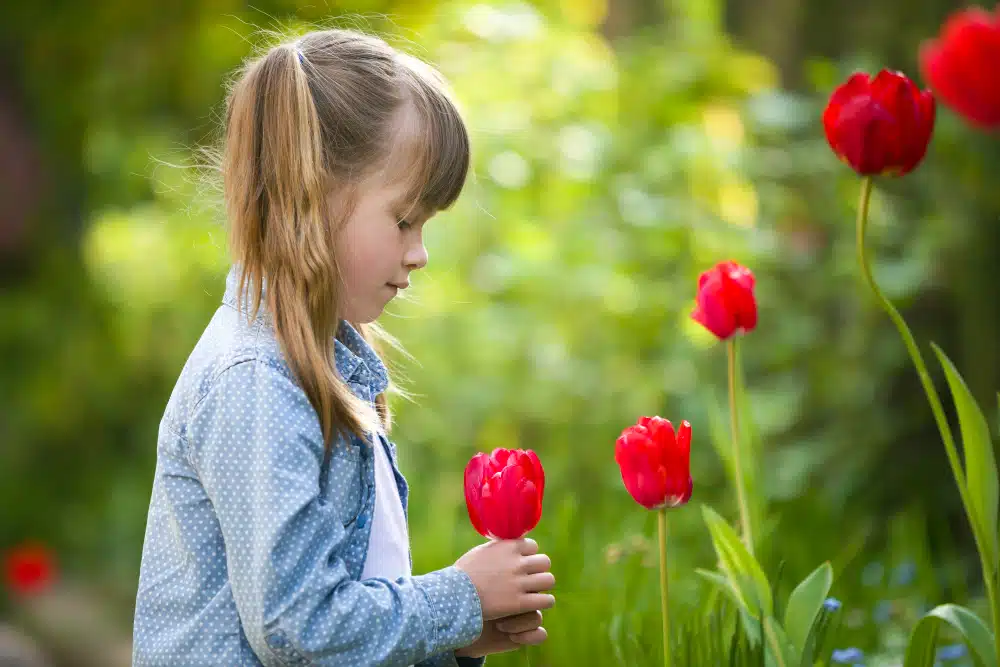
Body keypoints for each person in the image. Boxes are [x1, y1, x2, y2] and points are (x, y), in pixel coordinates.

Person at [132, 28, 555, 667]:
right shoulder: (255, 382)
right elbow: (299, 628)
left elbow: (343, 606)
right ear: (313, 198)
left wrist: (452, 634)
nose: (420, 253)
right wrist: (458, 598)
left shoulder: (321, 367)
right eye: (404, 219)